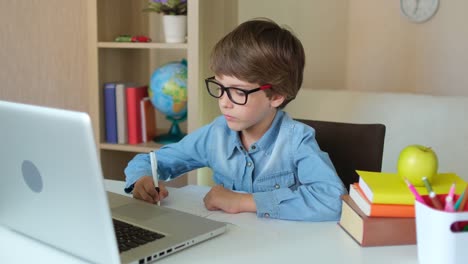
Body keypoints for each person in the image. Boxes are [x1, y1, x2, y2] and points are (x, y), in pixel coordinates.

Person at [124, 18, 346, 221]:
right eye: (220, 87)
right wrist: (141, 180)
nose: (223, 102)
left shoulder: (297, 141)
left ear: (277, 96)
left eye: (239, 92)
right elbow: (150, 162)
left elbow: (333, 200)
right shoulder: (216, 134)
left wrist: (243, 201)